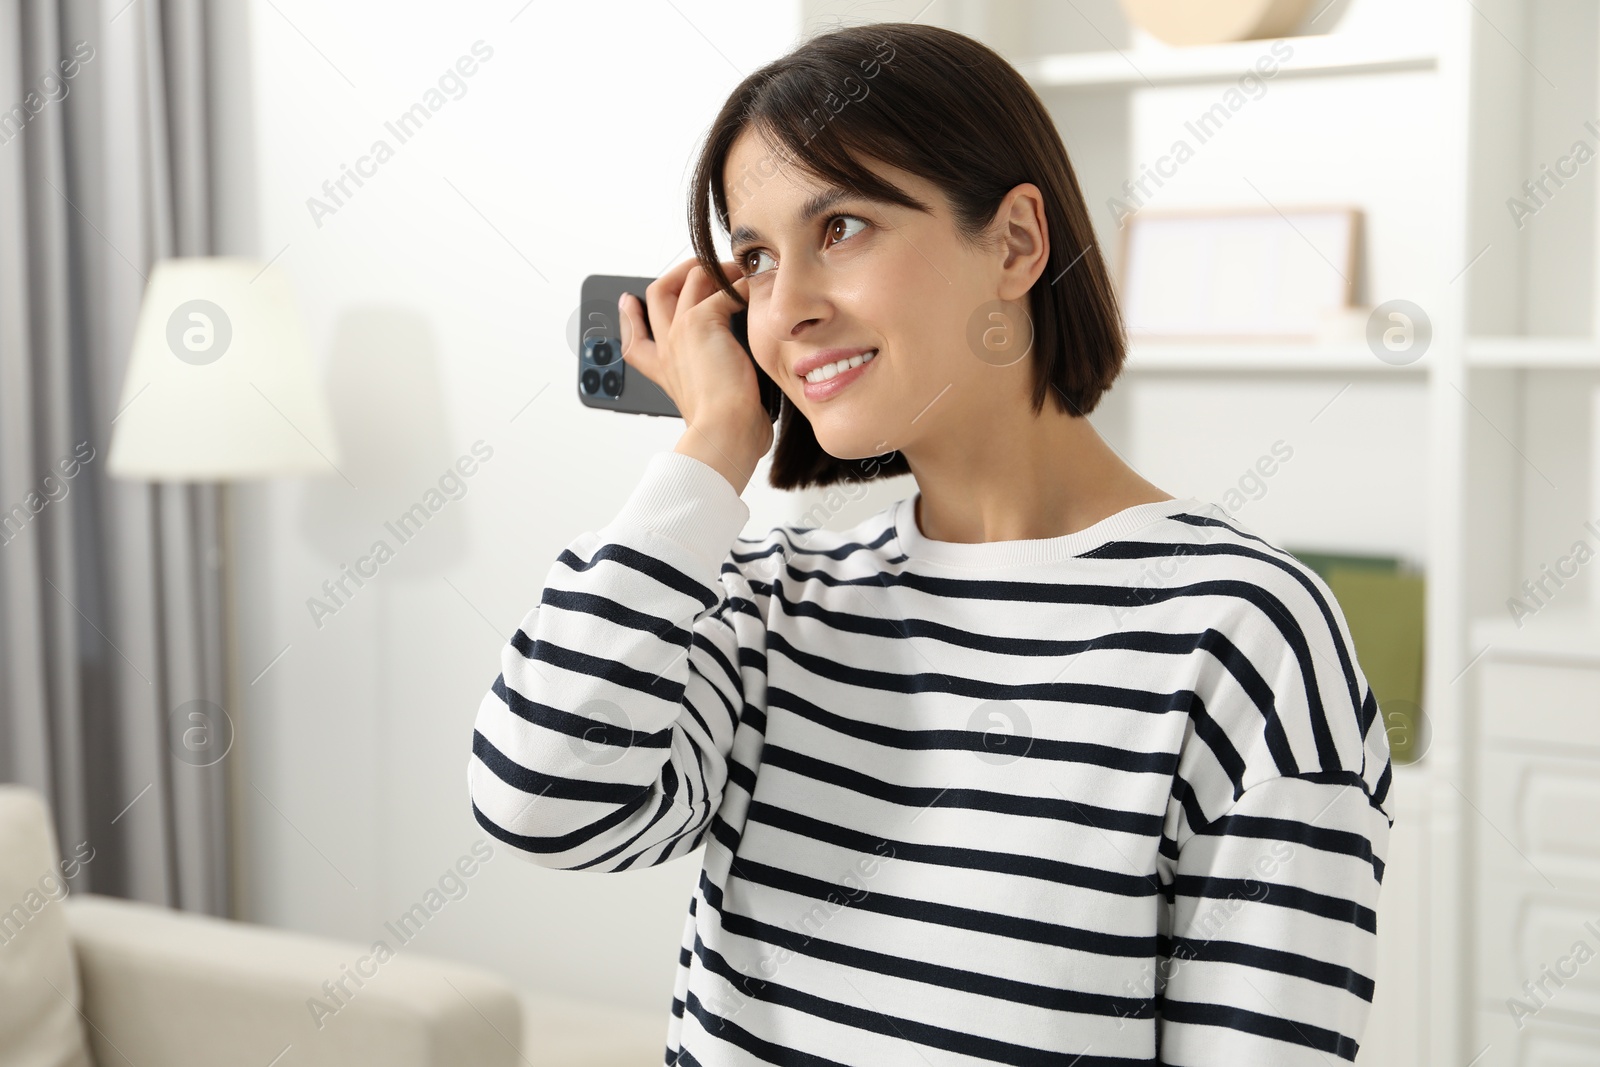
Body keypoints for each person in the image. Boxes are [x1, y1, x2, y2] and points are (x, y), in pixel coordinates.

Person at [468, 21, 1392, 1066]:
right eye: (758, 260)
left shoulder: (1240, 629)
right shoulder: (773, 597)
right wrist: (712, 449)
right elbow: (543, 800)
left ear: (1014, 243)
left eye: (844, 227)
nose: (788, 308)